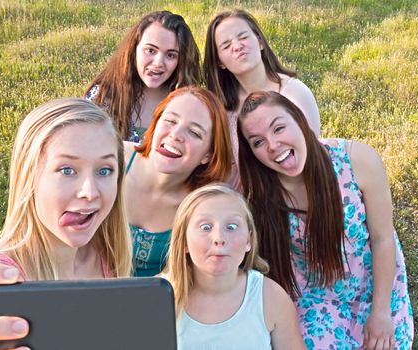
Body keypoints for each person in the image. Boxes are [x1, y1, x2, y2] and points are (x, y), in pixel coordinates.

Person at [237, 91, 413, 349]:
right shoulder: (260, 194)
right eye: (258, 142)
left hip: (374, 286)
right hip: (315, 295)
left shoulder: (357, 160)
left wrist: (381, 313)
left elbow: (383, 238)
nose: (273, 145)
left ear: (299, 120)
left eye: (279, 128)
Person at [0, 98, 132, 347]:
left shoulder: (106, 255)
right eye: (67, 170)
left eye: (105, 170)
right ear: (29, 177)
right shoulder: (2, 283)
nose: (90, 192)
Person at [165, 183, 306, 350]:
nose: (219, 238)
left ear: (249, 240)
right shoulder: (157, 296)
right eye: (206, 227)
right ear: (184, 241)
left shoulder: (270, 297)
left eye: (231, 227)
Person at [204, 9, 320, 189]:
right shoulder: (223, 109)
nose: (237, 46)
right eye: (226, 46)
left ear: (259, 42)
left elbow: (313, 160)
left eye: (243, 37)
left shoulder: (294, 94)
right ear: (220, 62)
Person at [124, 86, 232, 276]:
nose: (176, 134)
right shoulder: (113, 158)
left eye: (195, 132)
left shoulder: (202, 207)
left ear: (207, 155)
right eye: (170, 121)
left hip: (150, 301)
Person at [86, 10, 201, 142]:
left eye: (171, 55)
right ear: (133, 49)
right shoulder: (102, 96)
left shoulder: (188, 104)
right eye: (151, 50)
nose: (158, 63)